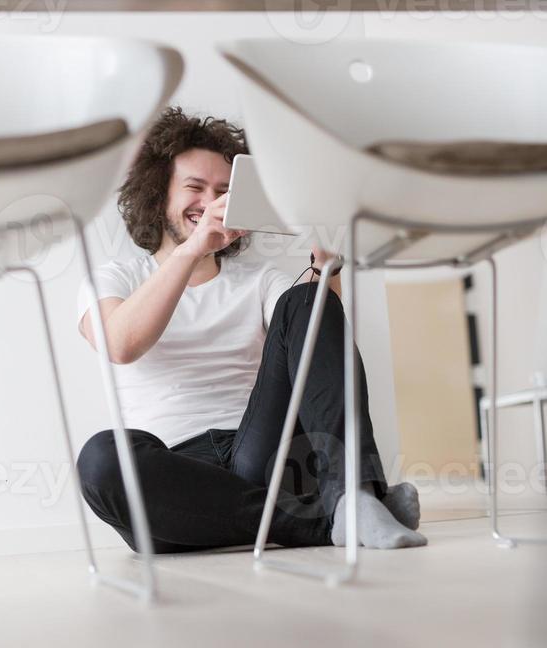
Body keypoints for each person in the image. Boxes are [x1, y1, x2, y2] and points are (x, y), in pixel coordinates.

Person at [76, 107, 426, 554]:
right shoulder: (116, 276)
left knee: (307, 301)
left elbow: (315, 331)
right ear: (157, 195)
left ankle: (353, 493)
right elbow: (120, 345)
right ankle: (329, 518)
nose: (211, 201)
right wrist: (195, 247)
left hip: (259, 455)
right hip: (173, 474)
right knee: (102, 459)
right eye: (195, 188)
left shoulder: (258, 280)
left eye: (225, 190)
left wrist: (326, 261)